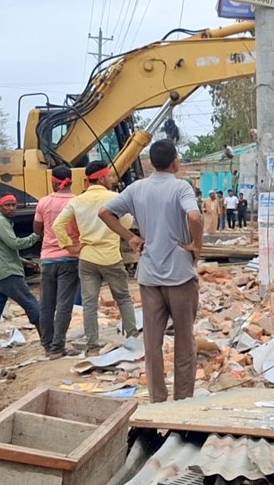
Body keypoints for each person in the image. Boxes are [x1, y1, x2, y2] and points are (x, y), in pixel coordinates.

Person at [99, 139, 203, 403]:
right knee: (184, 339)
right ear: (175, 162)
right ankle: (182, 398)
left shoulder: (137, 188)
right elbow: (194, 217)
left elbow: (104, 212)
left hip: (149, 275)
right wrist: (196, 246)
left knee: (152, 343)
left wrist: (130, 238)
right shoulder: (181, 187)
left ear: (152, 162)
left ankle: (157, 397)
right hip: (180, 275)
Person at [55, 161, 139, 358]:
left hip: (87, 257)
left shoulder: (77, 200)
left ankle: (92, 346)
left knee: (90, 303)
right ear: (101, 178)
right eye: (109, 176)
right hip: (110, 256)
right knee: (123, 298)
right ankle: (133, 338)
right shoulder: (114, 198)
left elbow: (58, 225)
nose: (111, 179)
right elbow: (127, 221)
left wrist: (69, 246)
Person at [0, 195, 42, 360]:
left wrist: (25, 262)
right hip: (7, 273)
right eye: (7, 205)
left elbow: (4, 251)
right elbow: (15, 244)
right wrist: (36, 236)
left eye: (13, 205)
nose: (11, 208)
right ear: (0, 207)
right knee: (31, 305)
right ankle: (47, 343)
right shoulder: (1, 222)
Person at [34, 166, 81, 360]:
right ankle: (57, 347)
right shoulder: (77, 201)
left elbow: (37, 230)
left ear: (54, 181)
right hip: (70, 257)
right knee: (64, 304)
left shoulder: (44, 202)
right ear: (70, 181)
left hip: (47, 258)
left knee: (46, 304)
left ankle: (47, 345)